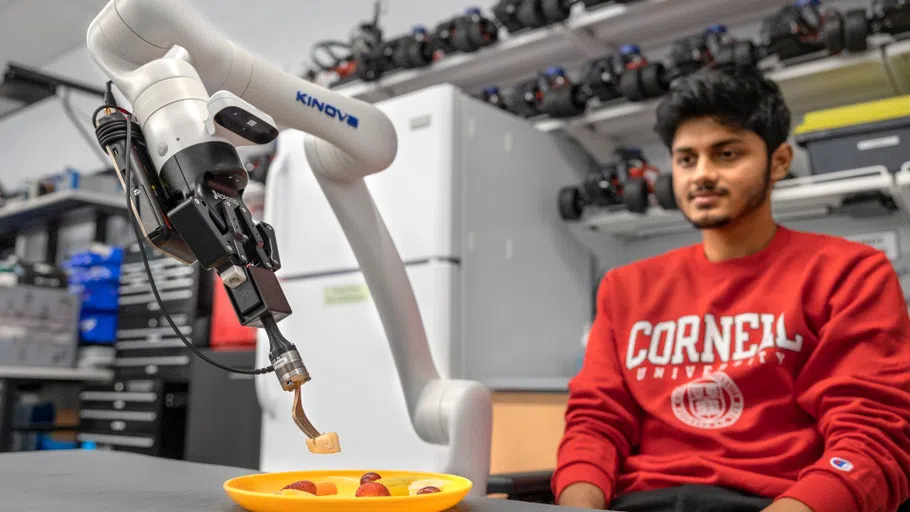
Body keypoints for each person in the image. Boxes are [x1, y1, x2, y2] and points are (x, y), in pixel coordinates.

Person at [552, 65, 910, 512]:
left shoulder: (850, 273)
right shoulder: (625, 287)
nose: (701, 174)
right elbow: (595, 425)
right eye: (686, 159)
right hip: (639, 503)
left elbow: (870, 438)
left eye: (726, 154)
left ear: (779, 162)